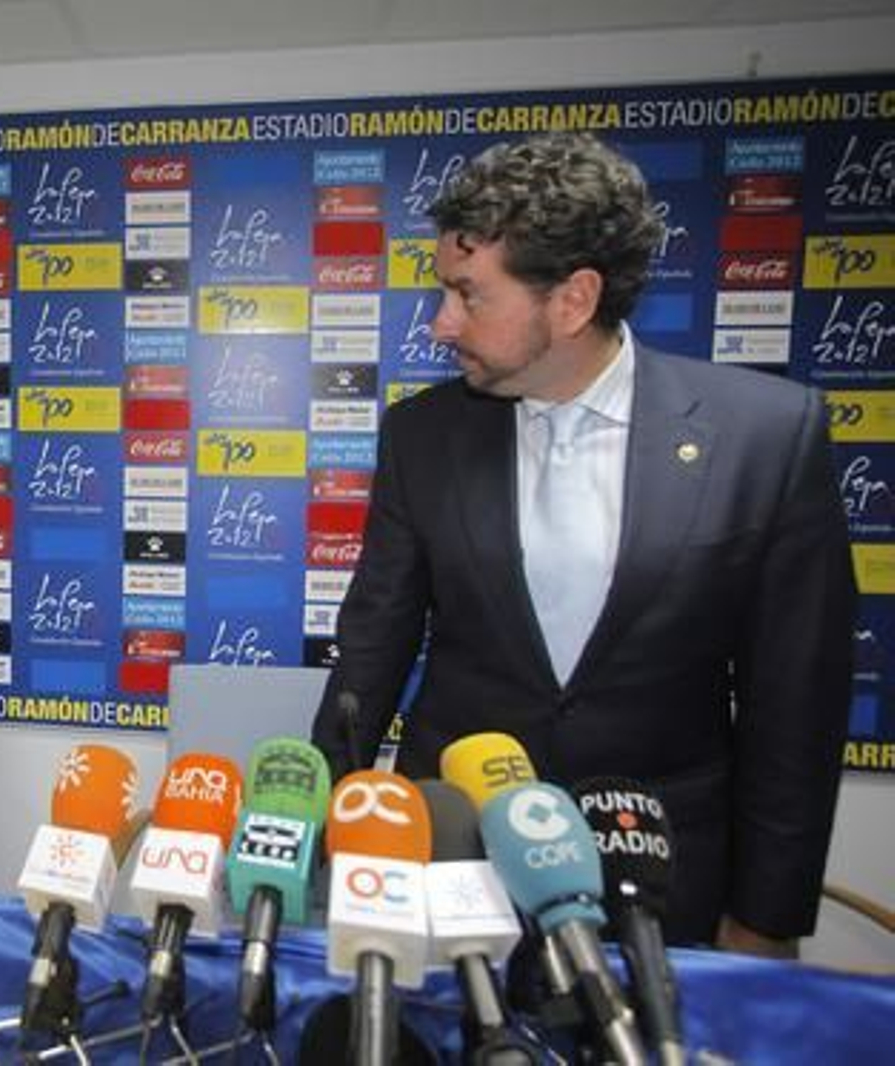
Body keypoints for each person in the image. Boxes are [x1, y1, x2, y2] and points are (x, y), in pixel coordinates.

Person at [311, 132, 855, 956]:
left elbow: (796, 702)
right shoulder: (420, 436)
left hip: (661, 872)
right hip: (456, 861)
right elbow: (370, 651)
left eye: (468, 294)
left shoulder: (765, 436)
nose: (440, 323)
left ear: (572, 300)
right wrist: (332, 843)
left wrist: (767, 917)